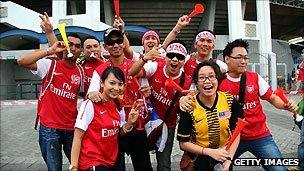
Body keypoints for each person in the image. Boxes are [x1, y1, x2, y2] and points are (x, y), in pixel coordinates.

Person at [179, 39, 298, 171]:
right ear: (227, 59)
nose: (244, 61)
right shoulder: (218, 81)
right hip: (232, 139)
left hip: (259, 136)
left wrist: (285, 105)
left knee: (278, 169)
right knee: (219, 167)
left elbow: (272, 98)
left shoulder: (255, 77)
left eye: (246, 57)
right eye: (239, 57)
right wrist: (183, 100)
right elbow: (197, 93)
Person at [87, 27, 159, 171]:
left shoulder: (135, 65)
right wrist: (93, 94)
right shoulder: (100, 70)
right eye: (111, 42)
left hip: (136, 126)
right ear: (105, 46)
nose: (115, 45)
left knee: (144, 167)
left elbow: (147, 88)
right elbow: (91, 92)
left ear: (124, 43)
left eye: (119, 41)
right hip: (113, 130)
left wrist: (148, 91)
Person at [17, 33, 84, 171]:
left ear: (81, 51)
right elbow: (22, 61)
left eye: (77, 46)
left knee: (79, 166)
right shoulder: (50, 65)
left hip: (72, 128)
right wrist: (50, 50)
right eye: (69, 44)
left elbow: (84, 94)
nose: (73, 48)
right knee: (54, 168)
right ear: (64, 46)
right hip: (49, 128)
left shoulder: (80, 72)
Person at [131, 40, 192, 171]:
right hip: (147, 121)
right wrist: (144, 58)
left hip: (167, 126)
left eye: (180, 57)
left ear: (184, 61)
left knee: (164, 163)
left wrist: (186, 101)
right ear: (165, 57)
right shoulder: (154, 67)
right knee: (141, 160)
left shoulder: (187, 82)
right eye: (171, 55)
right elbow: (132, 73)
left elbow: (192, 102)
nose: (175, 59)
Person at [69, 66, 139, 171]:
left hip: (111, 162)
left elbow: (117, 133)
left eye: (120, 84)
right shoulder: (90, 104)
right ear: (102, 83)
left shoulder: (117, 104)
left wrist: (129, 123)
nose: (116, 88)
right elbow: (77, 137)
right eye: (112, 83)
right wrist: (74, 167)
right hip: (93, 162)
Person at [177, 60, 241, 171]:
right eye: (201, 77)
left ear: (218, 79)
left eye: (212, 76)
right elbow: (183, 143)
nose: (207, 81)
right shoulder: (189, 105)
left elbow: (237, 131)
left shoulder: (229, 101)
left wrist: (229, 158)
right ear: (196, 83)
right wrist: (209, 152)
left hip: (223, 157)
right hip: (199, 160)